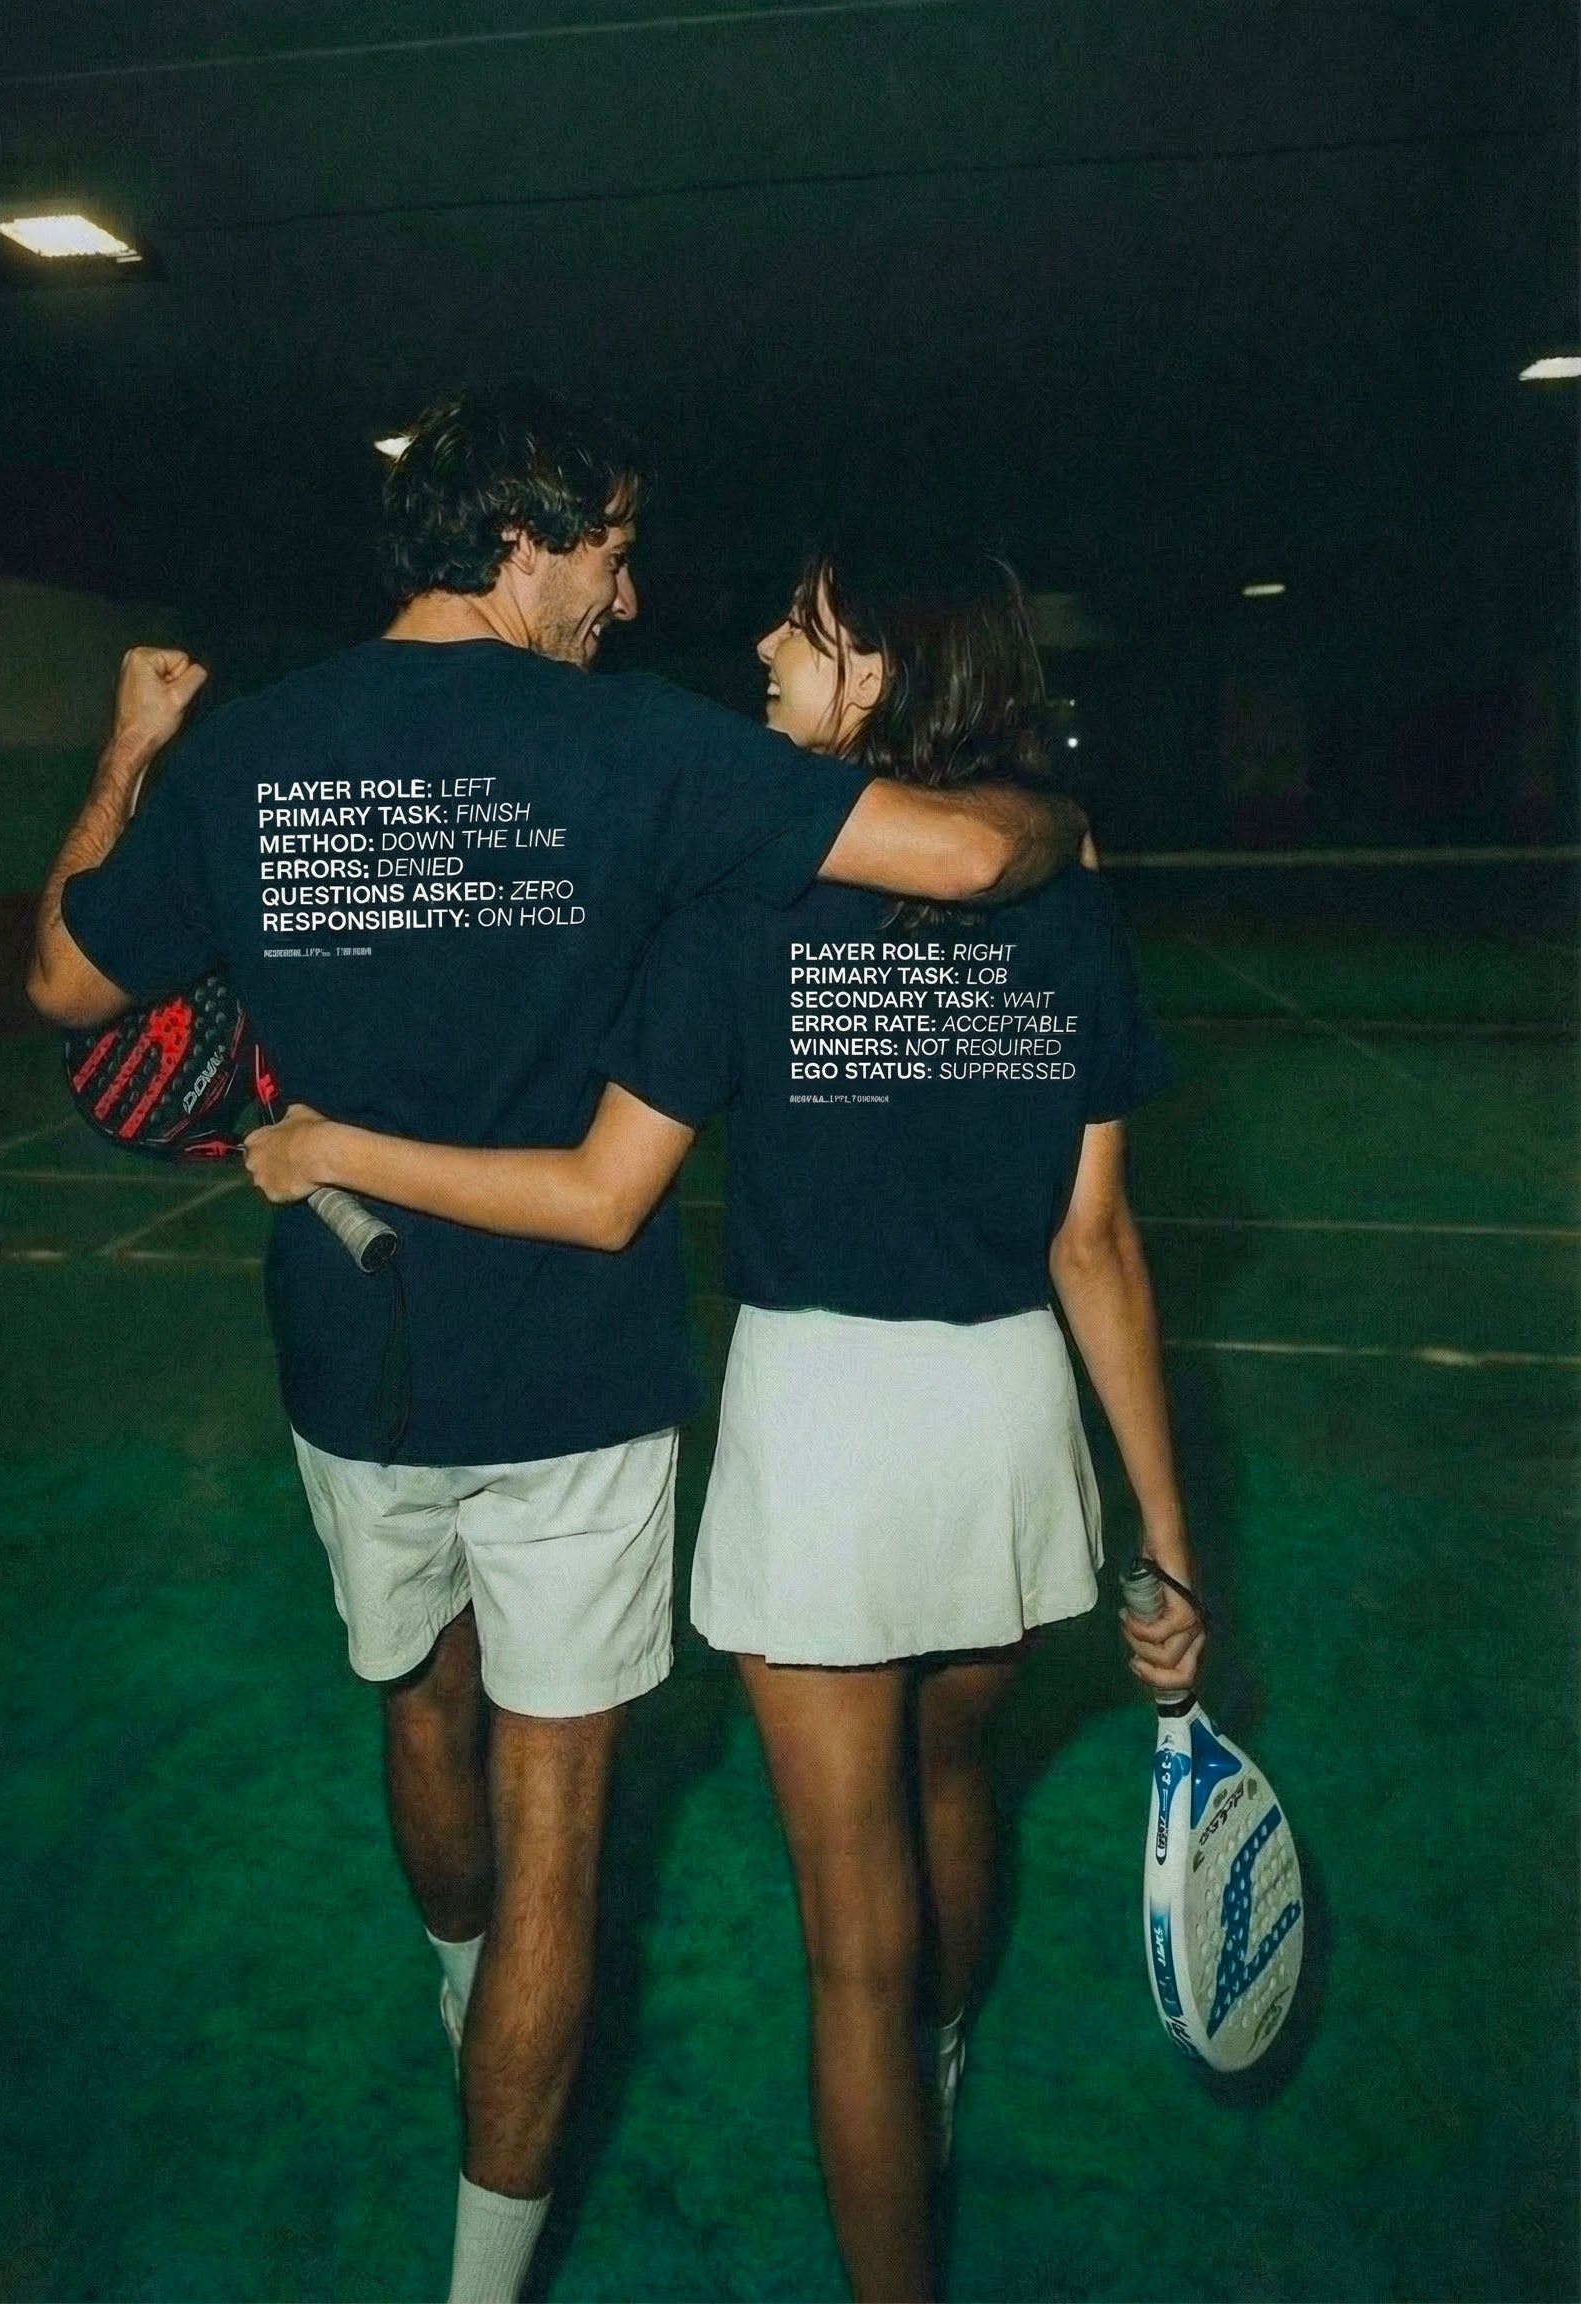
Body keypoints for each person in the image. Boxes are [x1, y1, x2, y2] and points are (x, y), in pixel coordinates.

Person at [25, 389, 1087, 2303]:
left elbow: (64, 976)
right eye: (607, 546)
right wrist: (1050, 804)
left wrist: (127, 751)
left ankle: (458, 1988)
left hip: (349, 1361)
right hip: (577, 1384)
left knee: (412, 1701)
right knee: (560, 1837)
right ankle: (482, 2263)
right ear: (520, 542)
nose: (629, 585)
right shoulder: (648, 754)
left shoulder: (253, 753)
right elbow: (974, 864)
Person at [240, 543, 1206, 2302]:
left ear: (886, 681)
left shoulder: (743, 903)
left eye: (808, 629)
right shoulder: (1064, 894)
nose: (764, 642)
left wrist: (336, 1148)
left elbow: (607, 1196)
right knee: (957, 1770)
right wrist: (1167, 1535)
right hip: (1009, 1427)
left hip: (827, 1430)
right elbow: (1096, 1241)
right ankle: (946, 2058)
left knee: (851, 1951)